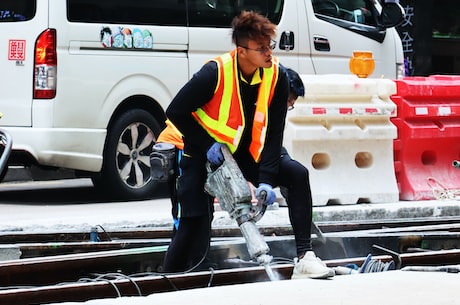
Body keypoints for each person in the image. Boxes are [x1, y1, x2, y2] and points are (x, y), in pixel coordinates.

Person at [162, 10, 334, 279]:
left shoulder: (276, 77)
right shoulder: (214, 73)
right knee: (193, 226)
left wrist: (266, 179)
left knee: (297, 175)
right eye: (262, 48)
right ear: (242, 51)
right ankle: (168, 280)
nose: (269, 54)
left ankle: (305, 257)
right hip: (199, 152)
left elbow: (274, 134)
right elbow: (175, 111)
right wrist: (208, 144)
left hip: (244, 155)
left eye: (270, 47)